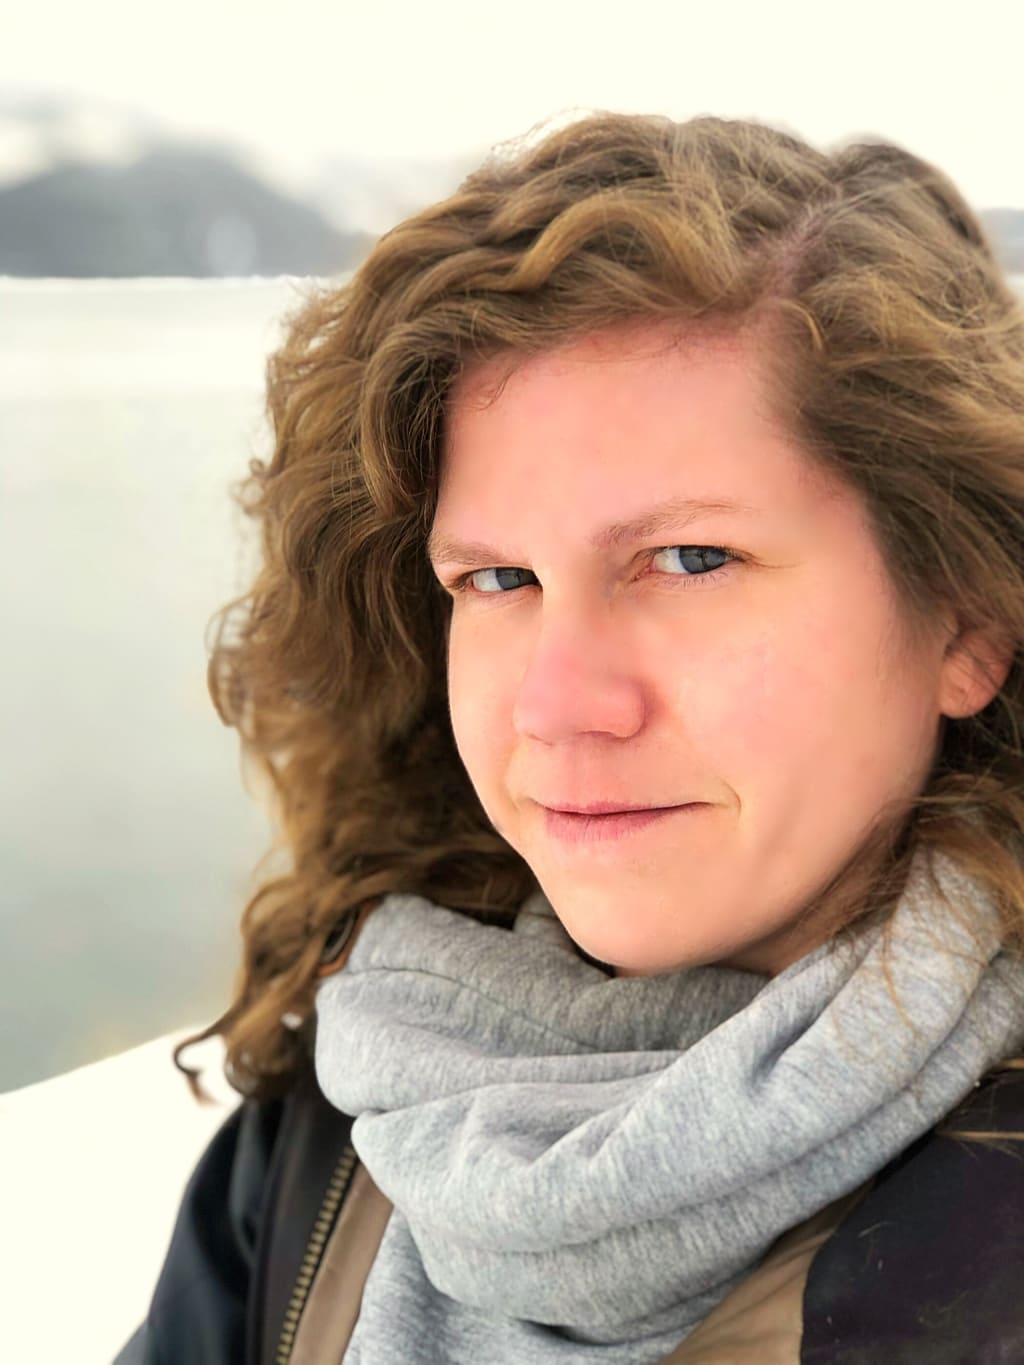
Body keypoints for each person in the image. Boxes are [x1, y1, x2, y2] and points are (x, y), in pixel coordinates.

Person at [116, 110, 1024, 1364]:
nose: (555, 703)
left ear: (967, 617)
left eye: (689, 559)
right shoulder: (349, 1107)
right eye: (496, 580)